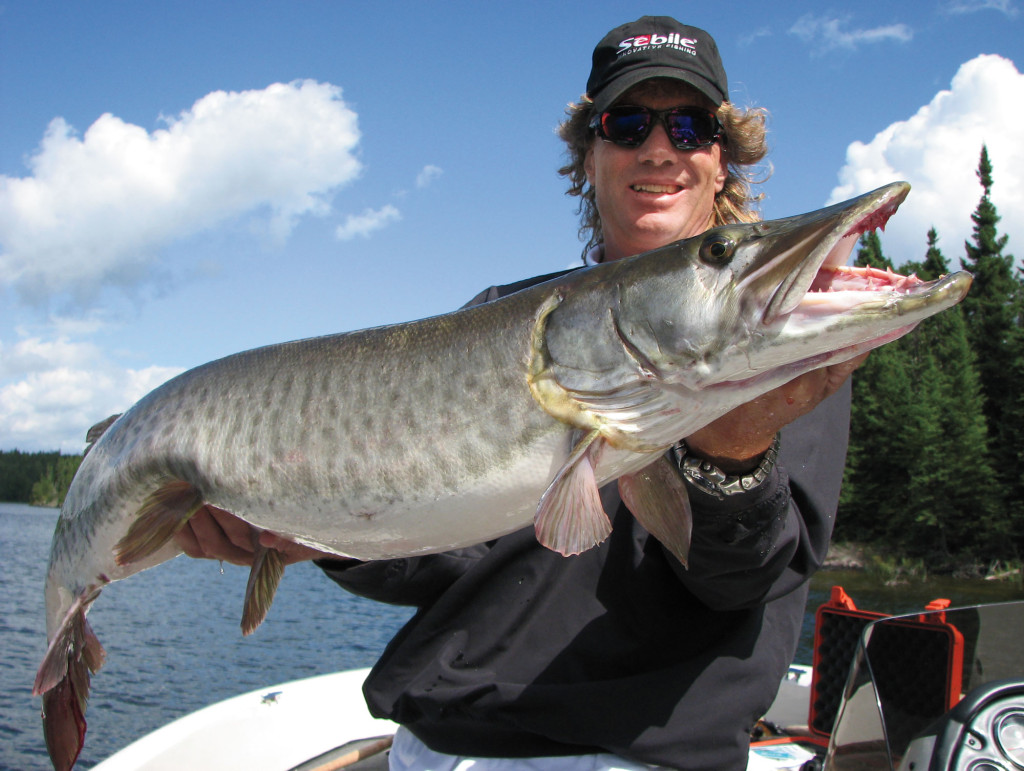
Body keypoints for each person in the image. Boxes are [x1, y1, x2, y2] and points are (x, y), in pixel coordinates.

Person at [177, 17, 861, 770]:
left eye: (690, 126)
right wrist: (313, 530)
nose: (659, 148)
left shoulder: (780, 340)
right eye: (627, 124)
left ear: (722, 160)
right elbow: (441, 554)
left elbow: (746, 579)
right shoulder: (502, 310)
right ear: (589, 157)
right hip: (437, 744)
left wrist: (728, 464)